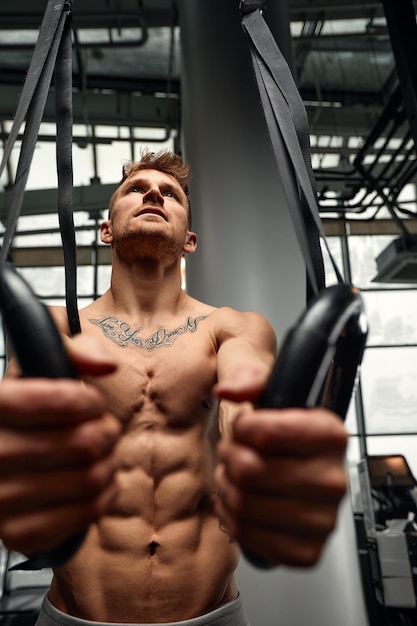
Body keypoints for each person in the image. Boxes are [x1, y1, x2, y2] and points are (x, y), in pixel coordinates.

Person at [0, 150, 348, 626]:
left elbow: (246, 381)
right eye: (135, 189)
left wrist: (253, 427)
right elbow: (23, 402)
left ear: (189, 240)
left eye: (171, 194)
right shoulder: (60, 328)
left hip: (213, 615)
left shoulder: (230, 327)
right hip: (74, 616)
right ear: (106, 230)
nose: (153, 194)